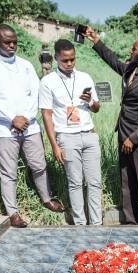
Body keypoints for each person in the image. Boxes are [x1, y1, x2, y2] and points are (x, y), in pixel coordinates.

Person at [0, 25, 64, 227]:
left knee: (39, 165)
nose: (12, 45)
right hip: (4, 128)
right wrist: (11, 119)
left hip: (30, 126)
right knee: (8, 171)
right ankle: (13, 213)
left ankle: (46, 199)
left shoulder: (25, 65)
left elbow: (36, 93)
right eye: (7, 42)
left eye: (15, 41)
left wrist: (26, 117)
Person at [84, 27, 138, 225]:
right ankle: (130, 222)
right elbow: (113, 61)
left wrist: (133, 138)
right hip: (123, 133)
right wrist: (96, 41)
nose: (131, 50)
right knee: (127, 181)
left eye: (134, 48)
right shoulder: (130, 68)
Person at [39, 39, 102, 226]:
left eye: (72, 60)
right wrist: (55, 145)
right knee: (75, 183)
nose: (69, 64)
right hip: (67, 137)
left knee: (95, 182)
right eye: (65, 60)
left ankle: (97, 224)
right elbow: (46, 115)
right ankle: (80, 225)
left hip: (89, 134)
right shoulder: (48, 81)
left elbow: (96, 108)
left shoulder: (85, 77)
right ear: (56, 58)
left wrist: (90, 101)